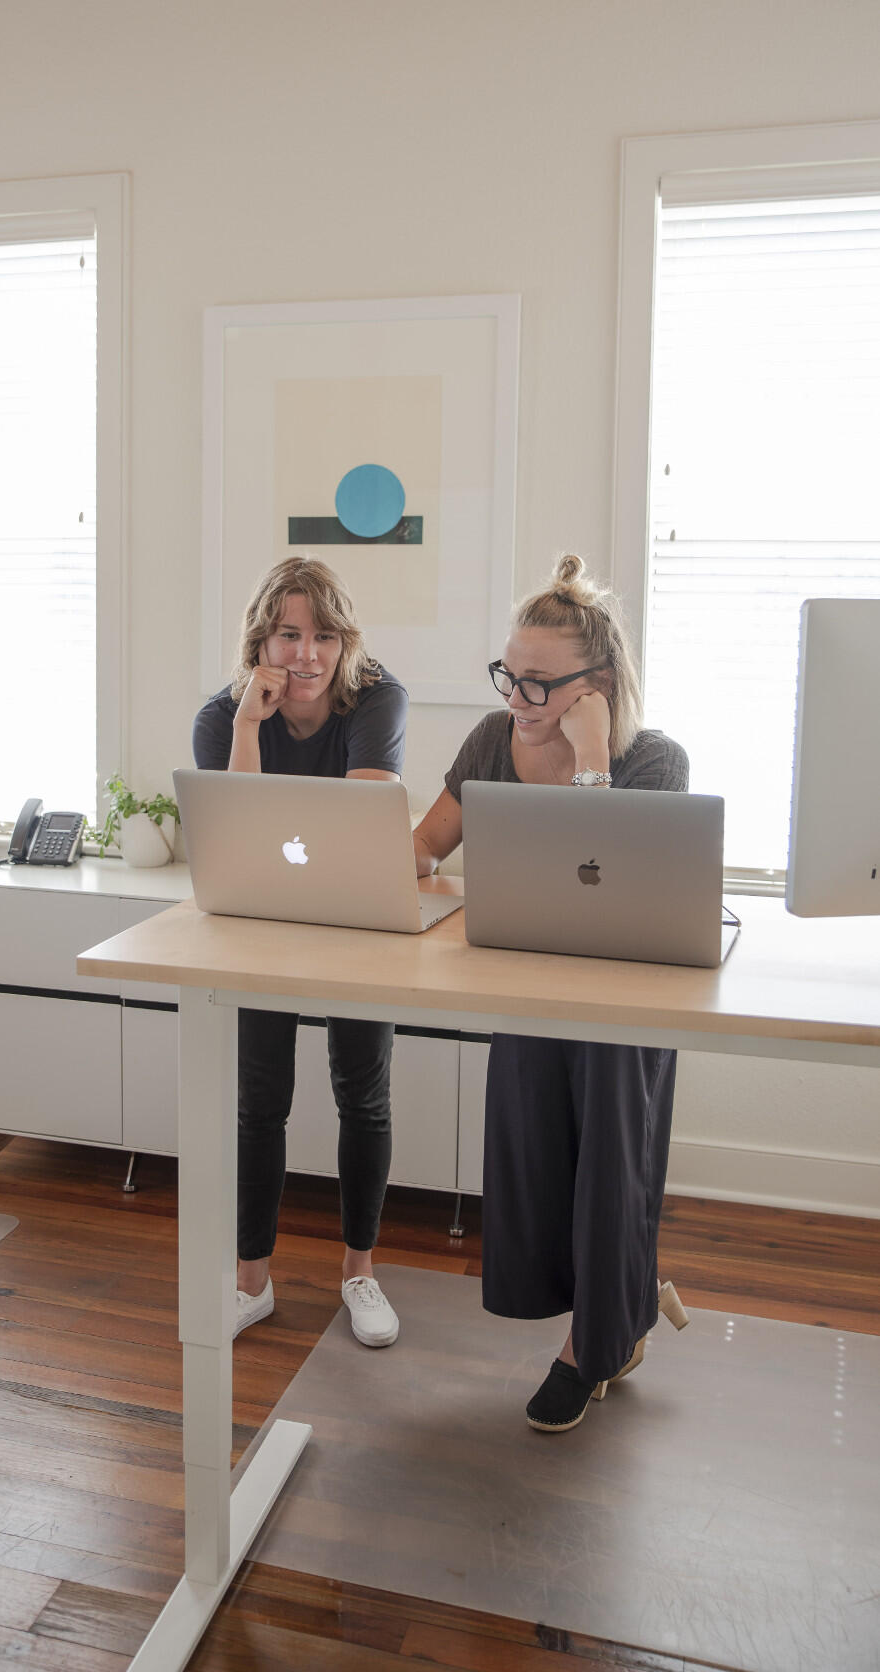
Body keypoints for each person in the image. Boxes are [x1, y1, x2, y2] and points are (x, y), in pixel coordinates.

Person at [412, 552, 691, 1431]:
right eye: (510, 676)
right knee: (536, 1161)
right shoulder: (492, 745)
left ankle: (593, 1345)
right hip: (526, 989)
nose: (517, 700)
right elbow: (425, 847)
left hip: (622, 1006)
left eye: (540, 684)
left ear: (597, 685)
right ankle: (622, 1301)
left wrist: (592, 756)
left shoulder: (654, 762)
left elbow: (608, 882)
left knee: (609, 1166)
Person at [192, 556, 408, 1347]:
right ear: (263, 641)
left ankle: (361, 1272)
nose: (306, 655)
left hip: (356, 921)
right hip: (264, 923)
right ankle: (252, 1280)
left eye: (323, 636)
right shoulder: (224, 717)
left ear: (346, 642)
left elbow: (360, 827)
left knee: (363, 1092)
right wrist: (251, 726)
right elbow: (239, 841)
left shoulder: (379, 696)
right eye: (289, 635)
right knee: (259, 1101)